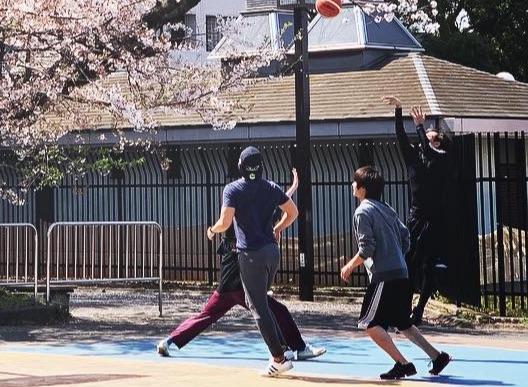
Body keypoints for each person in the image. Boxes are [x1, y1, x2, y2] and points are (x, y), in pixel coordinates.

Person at [157, 170, 325, 362]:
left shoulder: (242, 217)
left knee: (206, 316)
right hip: (241, 284)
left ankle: (168, 341)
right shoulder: (244, 227)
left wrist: (292, 188)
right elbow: (273, 205)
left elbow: (277, 202)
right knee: (274, 312)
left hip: (228, 287)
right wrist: (212, 230)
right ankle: (294, 348)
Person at [340, 165, 452, 380]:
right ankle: (438, 357)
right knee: (403, 322)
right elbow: (406, 236)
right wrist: (397, 255)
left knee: (369, 323)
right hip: (400, 272)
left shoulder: (362, 211)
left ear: (362, 188)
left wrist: (349, 266)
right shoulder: (386, 208)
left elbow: (367, 248)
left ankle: (402, 364)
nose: (352, 185)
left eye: (355, 182)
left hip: (385, 275)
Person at [206, 146, 299, 377]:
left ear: (240, 166)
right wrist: (278, 228)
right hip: (271, 252)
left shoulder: (233, 189)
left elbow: (225, 223)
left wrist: (211, 230)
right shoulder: (271, 187)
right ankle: (283, 350)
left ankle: (278, 358)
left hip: (250, 254)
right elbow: (293, 212)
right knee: (260, 302)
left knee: (257, 307)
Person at [381, 96, 448, 324]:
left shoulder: (440, 158)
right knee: (409, 262)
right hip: (416, 217)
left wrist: (420, 127)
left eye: (432, 140)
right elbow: (401, 137)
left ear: (438, 144)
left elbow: (430, 152)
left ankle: (419, 309)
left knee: (429, 265)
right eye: (425, 140)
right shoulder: (414, 158)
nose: (428, 143)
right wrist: (399, 110)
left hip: (435, 219)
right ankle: (404, 306)